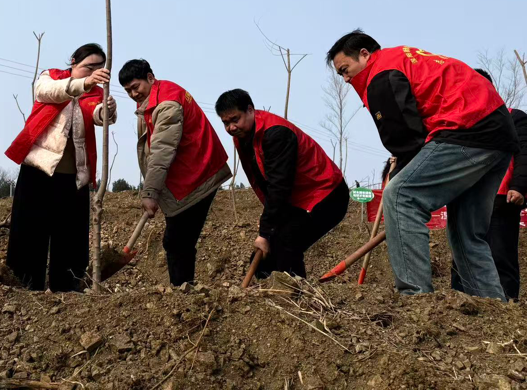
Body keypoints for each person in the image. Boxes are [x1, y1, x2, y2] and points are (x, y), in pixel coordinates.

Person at [326, 30, 517, 300]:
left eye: (345, 69)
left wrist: (401, 176)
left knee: (400, 196)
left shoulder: (381, 75)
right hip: (497, 130)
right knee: (466, 233)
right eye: (340, 74)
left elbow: (406, 138)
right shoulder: (404, 58)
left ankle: (416, 299)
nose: (345, 79)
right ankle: (489, 307)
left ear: (364, 54)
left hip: (466, 126)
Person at [4, 44, 117, 292]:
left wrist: (107, 110)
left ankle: (67, 286)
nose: (95, 72)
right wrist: (84, 83)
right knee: (30, 229)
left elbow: (98, 116)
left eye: (100, 68)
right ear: (74, 62)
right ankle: (23, 283)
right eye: (89, 67)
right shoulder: (52, 77)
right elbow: (47, 93)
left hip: (73, 176)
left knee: (71, 235)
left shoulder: (96, 93)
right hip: (39, 169)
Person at [119, 60, 230, 286]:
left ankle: (182, 293)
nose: (133, 93)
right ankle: (182, 290)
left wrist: (150, 192)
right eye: (128, 90)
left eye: (135, 86)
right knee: (178, 240)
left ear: (150, 78)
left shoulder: (167, 103)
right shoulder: (156, 99)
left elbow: (161, 151)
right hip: (188, 176)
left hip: (198, 176)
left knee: (177, 241)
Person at [215, 89, 348, 279]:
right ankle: (266, 300)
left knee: (287, 241)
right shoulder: (244, 137)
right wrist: (269, 231)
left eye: (235, 119)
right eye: (225, 123)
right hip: (296, 198)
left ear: (250, 110)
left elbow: (279, 186)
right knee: (266, 255)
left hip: (326, 194)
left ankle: (294, 299)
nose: (231, 128)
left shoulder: (275, 134)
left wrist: (265, 231)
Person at [450, 69, 527, 300]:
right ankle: (459, 304)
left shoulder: (514, 117)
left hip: (502, 198)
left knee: (501, 256)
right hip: (465, 198)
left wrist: (520, 186)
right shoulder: (460, 123)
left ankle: (507, 306)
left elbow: (524, 154)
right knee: (461, 255)